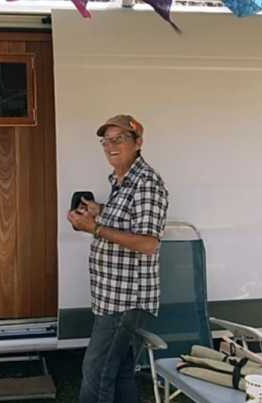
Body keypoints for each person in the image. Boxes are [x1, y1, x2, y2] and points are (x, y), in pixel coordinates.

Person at [67, 114, 169, 403]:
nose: (111, 146)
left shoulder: (145, 183)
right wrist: (99, 210)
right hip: (112, 296)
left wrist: (95, 228)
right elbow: (129, 220)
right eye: (106, 141)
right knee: (121, 370)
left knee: (96, 371)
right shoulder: (120, 180)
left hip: (125, 300)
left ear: (138, 143)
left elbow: (148, 243)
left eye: (120, 139)